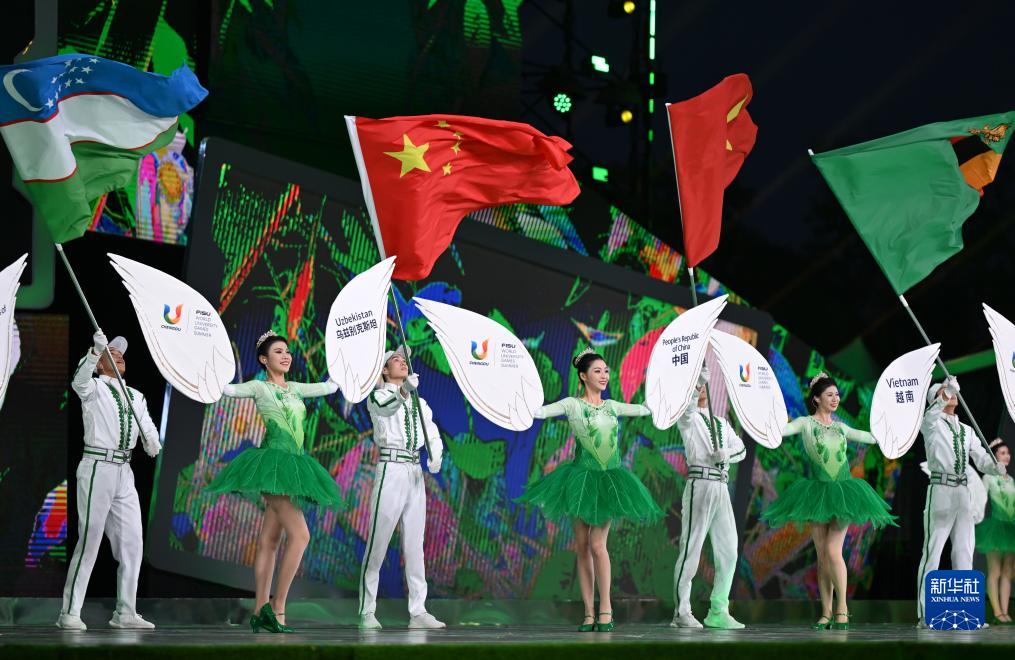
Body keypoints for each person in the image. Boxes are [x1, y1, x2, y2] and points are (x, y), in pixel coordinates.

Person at [517, 347, 663, 632]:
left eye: (606, 371)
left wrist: (673, 393)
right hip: (580, 481)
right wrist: (517, 400)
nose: (604, 375)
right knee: (582, 546)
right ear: (583, 376)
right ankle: (588, 612)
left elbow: (646, 409)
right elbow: (540, 412)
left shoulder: (612, 407)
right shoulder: (572, 404)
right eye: (597, 371)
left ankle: (606, 608)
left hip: (609, 482)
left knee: (598, 544)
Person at [206, 331, 342, 634]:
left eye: (287, 351)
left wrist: (352, 365)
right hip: (271, 466)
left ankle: (259, 611)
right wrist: (205, 370)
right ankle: (277, 607)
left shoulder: (295, 388)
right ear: (264, 359)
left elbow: (330, 386)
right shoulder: (259, 386)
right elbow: (227, 390)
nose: (286, 356)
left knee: (269, 541)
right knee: (301, 536)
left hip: (294, 467)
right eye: (278, 352)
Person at [761, 373, 896, 631]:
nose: (835, 399)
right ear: (816, 399)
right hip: (817, 494)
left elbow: (869, 437)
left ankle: (842, 608)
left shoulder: (841, 427)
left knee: (833, 551)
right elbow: (781, 431)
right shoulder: (805, 423)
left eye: (837, 394)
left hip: (843, 493)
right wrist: (763, 420)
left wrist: (891, 429)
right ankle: (825, 613)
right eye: (830, 395)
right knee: (822, 557)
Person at [57, 332, 162, 631]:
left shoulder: (137, 396)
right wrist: (94, 351)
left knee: (132, 543)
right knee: (90, 538)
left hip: (124, 472)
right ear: (101, 363)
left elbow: (147, 426)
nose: (118, 355)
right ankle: (69, 612)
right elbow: (78, 381)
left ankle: (125, 612)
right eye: (111, 353)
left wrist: (152, 441)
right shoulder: (93, 387)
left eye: (121, 354)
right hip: (97, 466)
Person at [359, 346, 445, 630]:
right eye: (396, 360)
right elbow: (386, 408)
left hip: (414, 471)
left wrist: (436, 455)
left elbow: (431, 431)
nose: (403, 362)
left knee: (415, 545)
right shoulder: (378, 395)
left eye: (405, 359)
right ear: (385, 370)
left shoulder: (420, 401)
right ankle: (367, 610)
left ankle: (418, 611)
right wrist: (403, 392)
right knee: (378, 541)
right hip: (391, 469)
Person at [915, 376, 1004, 627]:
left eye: (952, 390)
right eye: (944, 391)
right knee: (933, 551)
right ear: (935, 399)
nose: (951, 393)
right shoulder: (931, 423)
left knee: (964, 550)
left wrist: (995, 467)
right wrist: (945, 393)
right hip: (941, 489)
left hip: (963, 492)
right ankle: (925, 613)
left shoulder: (967, 430)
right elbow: (929, 417)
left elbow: (981, 458)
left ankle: (967, 613)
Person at [671, 365, 747, 630]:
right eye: (697, 383)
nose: (702, 388)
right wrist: (694, 386)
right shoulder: (686, 417)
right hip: (700, 484)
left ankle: (718, 610)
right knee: (691, 549)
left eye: (703, 383)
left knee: (729, 551)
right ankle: (681, 611)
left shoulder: (722, 423)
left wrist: (726, 454)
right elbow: (688, 410)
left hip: (721, 486)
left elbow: (741, 449)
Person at [977, 439, 1015, 625]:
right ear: (995, 456)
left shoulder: (1011, 480)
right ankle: (997, 612)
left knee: (1008, 571)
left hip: (1011, 527)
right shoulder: (989, 477)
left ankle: (1005, 611)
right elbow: (980, 499)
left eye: (1008, 453)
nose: (1006, 456)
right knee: (995, 570)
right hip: (995, 527)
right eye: (1002, 453)